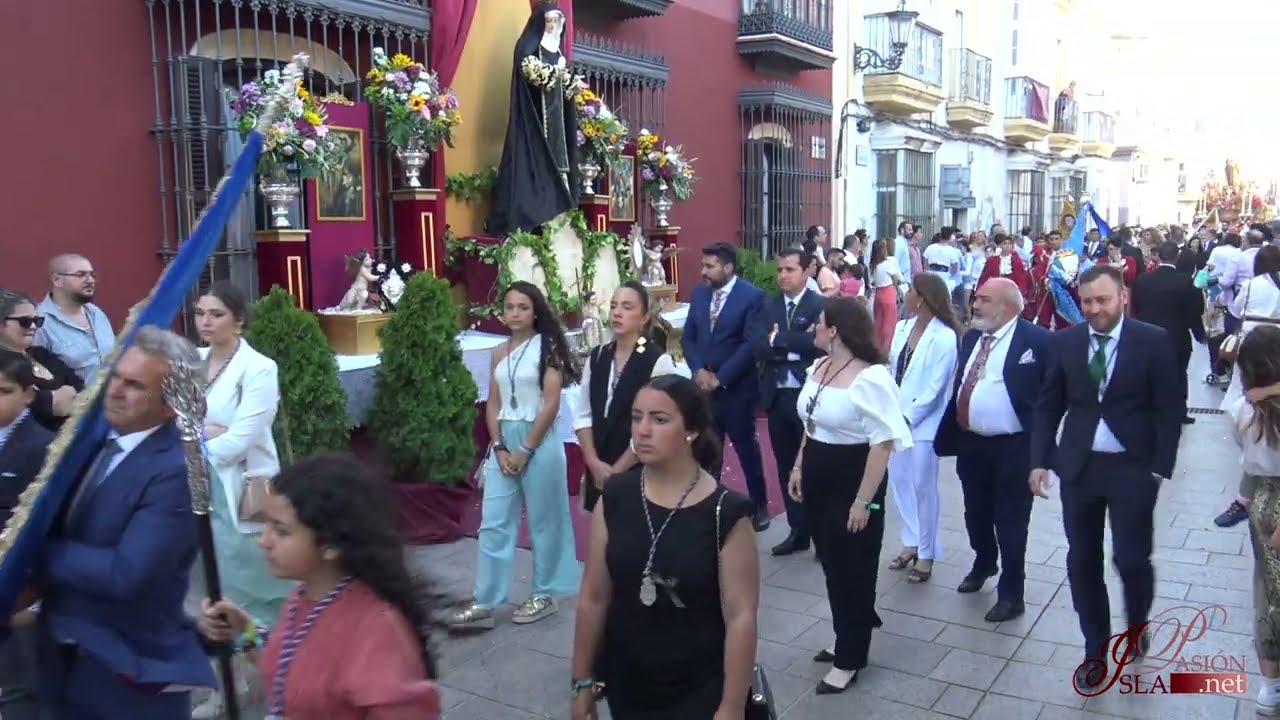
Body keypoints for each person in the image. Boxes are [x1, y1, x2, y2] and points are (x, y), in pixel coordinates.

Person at [32, 326, 216, 718]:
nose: (115, 390)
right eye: (116, 375)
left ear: (169, 405)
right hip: (63, 665)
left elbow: (125, 573)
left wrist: (33, 550)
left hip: (130, 676)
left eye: (134, 385)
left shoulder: (177, 470)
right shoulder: (95, 442)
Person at [1030, 264, 1183, 693]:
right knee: (1082, 559)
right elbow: (1048, 406)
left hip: (1133, 467)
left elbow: (1171, 407)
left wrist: (1159, 467)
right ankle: (1095, 649)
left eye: (1103, 300)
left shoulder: (1152, 341)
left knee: (1131, 559)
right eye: (1087, 302)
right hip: (1079, 466)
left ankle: (1137, 623)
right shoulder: (1066, 342)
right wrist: (1039, 459)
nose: (1095, 309)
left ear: (1123, 297)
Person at [569, 375, 758, 719]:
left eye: (659, 420)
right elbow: (594, 597)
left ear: (691, 430)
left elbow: (741, 617)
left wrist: (731, 706)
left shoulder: (725, 513)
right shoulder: (614, 498)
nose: (642, 430)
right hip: (628, 683)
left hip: (700, 687)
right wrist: (581, 681)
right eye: (636, 417)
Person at [198, 453, 441, 719]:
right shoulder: (304, 595)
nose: (263, 540)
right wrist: (243, 629)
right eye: (265, 524)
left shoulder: (376, 628)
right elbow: (287, 666)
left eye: (281, 531)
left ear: (330, 545)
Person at [788, 297, 911, 693]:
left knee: (852, 567)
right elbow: (811, 422)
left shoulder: (871, 378)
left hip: (855, 480)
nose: (814, 330)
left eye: (819, 324)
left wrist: (863, 502)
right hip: (819, 476)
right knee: (830, 561)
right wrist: (798, 466)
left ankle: (851, 656)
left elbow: (883, 442)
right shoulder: (819, 367)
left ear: (835, 330)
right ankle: (847, 629)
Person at [452, 282, 581, 629]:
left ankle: (544, 593)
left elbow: (551, 403)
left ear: (535, 311)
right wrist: (499, 446)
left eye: (522, 307)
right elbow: (492, 402)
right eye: (509, 307)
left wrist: (525, 449)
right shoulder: (498, 351)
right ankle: (485, 600)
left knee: (544, 520)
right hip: (504, 439)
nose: (515, 313)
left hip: (539, 438)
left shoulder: (548, 348)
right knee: (493, 521)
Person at [191, 282, 293, 719]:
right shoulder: (191, 362)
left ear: (239, 319)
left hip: (243, 491)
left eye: (215, 314)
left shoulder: (259, 368)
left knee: (258, 590)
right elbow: (175, 417)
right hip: (197, 488)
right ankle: (226, 682)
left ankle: (281, 677)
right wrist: (205, 434)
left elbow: (243, 436)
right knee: (211, 590)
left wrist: (201, 438)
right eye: (200, 313)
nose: (205, 322)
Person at [934, 278, 1051, 622]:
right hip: (972, 442)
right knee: (975, 512)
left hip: (1015, 446)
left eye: (984, 300)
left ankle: (1012, 593)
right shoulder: (972, 337)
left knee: (1012, 521)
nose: (975, 305)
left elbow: (1053, 394)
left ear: (1008, 306)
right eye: (976, 299)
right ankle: (984, 560)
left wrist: (1043, 452)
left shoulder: (1037, 340)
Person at [681, 242, 771, 531]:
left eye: (710, 266)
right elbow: (689, 338)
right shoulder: (698, 294)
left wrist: (721, 378)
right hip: (703, 388)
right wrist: (697, 371)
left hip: (737, 388)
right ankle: (709, 503)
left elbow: (750, 344)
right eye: (703, 265)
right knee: (708, 447)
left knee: (746, 448)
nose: (703, 271)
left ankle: (759, 506)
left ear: (728, 267)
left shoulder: (753, 297)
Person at [574, 281, 681, 513]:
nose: (617, 313)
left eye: (627, 307)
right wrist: (593, 463)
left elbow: (658, 423)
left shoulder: (655, 360)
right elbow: (583, 415)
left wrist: (619, 470)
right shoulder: (599, 356)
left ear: (643, 318)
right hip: (599, 467)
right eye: (613, 306)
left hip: (638, 469)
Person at [885, 274, 960, 584]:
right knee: (899, 483)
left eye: (911, 290)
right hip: (894, 417)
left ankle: (927, 553)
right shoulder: (902, 328)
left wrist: (908, 416)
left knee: (922, 487)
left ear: (924, 297)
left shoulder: (944, 336)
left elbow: (935, 387)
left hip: (924, 423)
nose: (906, 294)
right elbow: (893, 371)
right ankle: (910, 541)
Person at [486, 1, 580, 237]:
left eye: (556, 21)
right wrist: (553, 73)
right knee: (536, 163)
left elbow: (563, 83)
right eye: (548, 21)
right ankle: (537, 220)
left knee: (560, 164)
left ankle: (559, 218)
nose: (552, 25)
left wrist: (570, 83)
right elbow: (527, 68)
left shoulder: (557, 51)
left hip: (556, 121)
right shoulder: (529, 44)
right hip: (535, 120)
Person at [754, 248, 825, 556]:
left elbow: (822, 344)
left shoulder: (821, 305)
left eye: (790, 269)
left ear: (806, 271)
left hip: (808, 396)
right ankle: (798, 530)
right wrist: (796, 341)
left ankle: (822, 533)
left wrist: (779, 340)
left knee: (813, 465)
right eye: (780, 269)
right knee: (785, 464)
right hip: (777, 395)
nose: (783, 275)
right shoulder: (767, 306)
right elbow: (757, 346)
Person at [1226, 326, 1280, 716]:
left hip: (1264, 501)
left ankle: (1270, 686)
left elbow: (1245, 454)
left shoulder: (1244, 410)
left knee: (1268, 588)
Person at [0, 350, 54, 720]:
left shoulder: (44, 448)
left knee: (22, 690)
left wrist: (34, 601)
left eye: (2, 391)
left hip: (20, 596)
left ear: (28, 395)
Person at [1130, 241, 1206, 426]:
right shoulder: (1186, 282)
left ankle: (1145, 408)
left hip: (1146, 334)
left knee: (1146, 372)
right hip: (1176, 335)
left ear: (1158, 256)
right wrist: (1199, 334)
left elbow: (1136, 306)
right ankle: (1179, 411)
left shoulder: (1142, 280)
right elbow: (1195, 311)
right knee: (1179, 374)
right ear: (1177, 257)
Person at [0, 289, 83, 431]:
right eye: (24, 321)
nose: (33, 326)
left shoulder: (41, 354)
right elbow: (23, 408)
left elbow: (81, 388)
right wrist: (51, 400)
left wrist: (53, 401)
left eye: (37, 321)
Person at [34, 253, 115, 384]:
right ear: (57, 280)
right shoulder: (40, 322)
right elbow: (38, 374)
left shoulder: (97, 314)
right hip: (75, 402)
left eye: (92, 275)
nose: (90, 280)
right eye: (80, 275)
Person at [869, 239, 903, 350]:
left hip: (878, 292)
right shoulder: (887, 264)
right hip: (888, 292)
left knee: (878, 321)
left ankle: (877, 345)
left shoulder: (873, 265)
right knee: (889, 321)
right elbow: (899, 278)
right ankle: (886, 346)